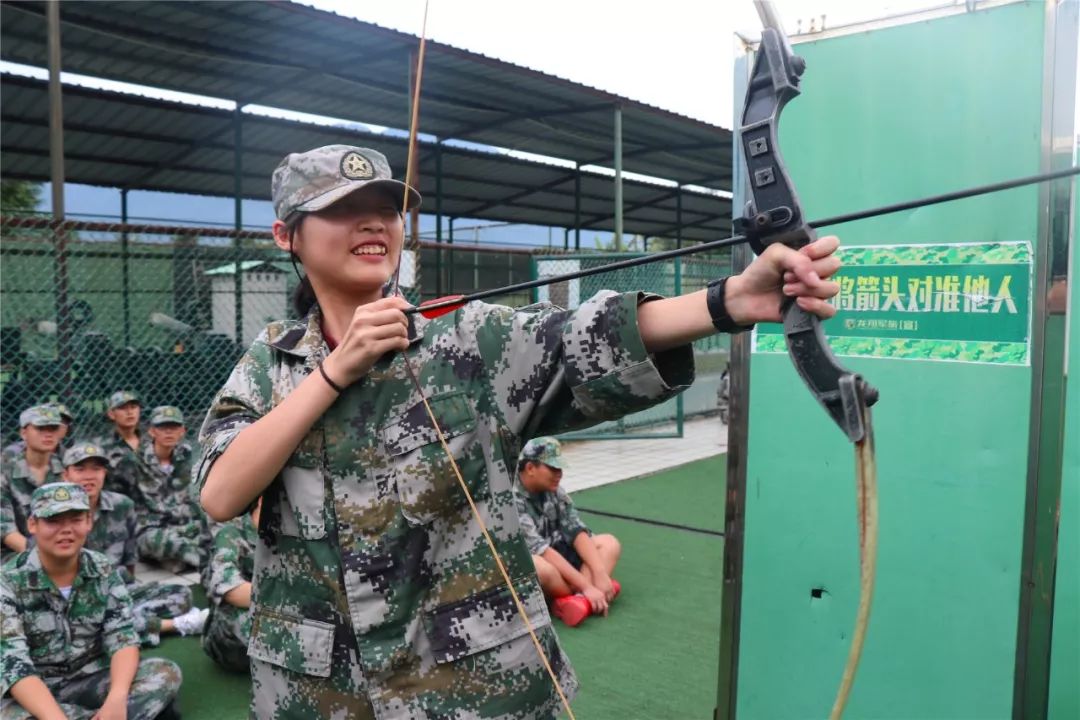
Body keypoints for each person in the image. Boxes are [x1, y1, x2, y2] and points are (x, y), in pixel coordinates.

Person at [196, 144, 842, 719]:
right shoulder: (269, 367)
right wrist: (335, 371)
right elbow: (221, 493)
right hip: (322, 692)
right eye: (342, 209)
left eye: (386, 209)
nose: (373, 223)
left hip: (474, 684)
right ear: (287, 236)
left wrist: (731, 301)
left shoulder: (467, 341)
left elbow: (585, 339)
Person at [0, 482, 182, 720]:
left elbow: (123, 637)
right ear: (33, 524)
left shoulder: (102, 568)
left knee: (164, 672)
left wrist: (117, 697)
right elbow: (15, 666)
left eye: (75, 520)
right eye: (53, 521)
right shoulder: (8, 581)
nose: (66, 530)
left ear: (89, 522)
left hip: (89, 679)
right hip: (34, 689)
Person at [63, 441, 208, 647]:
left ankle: (123, 623)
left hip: (118, 590)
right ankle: (173, 625)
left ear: (104, 473)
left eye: (96, 468)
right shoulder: (55, 514)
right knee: (77, 624)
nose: (89, 476)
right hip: (76, 600)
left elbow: (129, 563)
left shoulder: (122, 505)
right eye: (80, 469)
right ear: (65, 474)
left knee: (181, 595)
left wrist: (123, 595)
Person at [515, 437, 620, 627]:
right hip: (545, 564)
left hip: (562, 556)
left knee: (609, 543)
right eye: (553, 468)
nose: (559, 474)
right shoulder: (511, 499)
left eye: (560, 468)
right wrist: (588, 585)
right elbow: (542, 551)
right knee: (538, 566)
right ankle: (585, 595)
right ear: (530, 468)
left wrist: (600, 573)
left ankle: (574, 601)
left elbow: (577, 531)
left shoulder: (554, 489)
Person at [128, 406, 204, 570]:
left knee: (218, 526)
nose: (169, 432)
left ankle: (177, 561)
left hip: (183, 524)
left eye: (174, 427)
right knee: (164, 541)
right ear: (152, 431)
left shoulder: (184, 454)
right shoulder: (135, 460)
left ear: (182, 431)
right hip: (151, 528)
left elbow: (185, 497)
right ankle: (206, 563)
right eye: (163, 427)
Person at [202, 499, 259, 672]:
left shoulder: (291, 534)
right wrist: (291, 599)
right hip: (228, 637)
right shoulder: (231, 534)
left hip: (273, 615)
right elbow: (231, 590)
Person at [0, 405, 65, 557]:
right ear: (24, 433)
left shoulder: (66, 469)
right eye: (41, 429)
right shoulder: (5, 471)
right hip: (14, 555)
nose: (48, 434)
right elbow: (4, 528)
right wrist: (40, 556)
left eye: (53, 429)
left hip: (61, 551)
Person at [98, 390, 145, 498]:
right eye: (123, 408)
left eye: (133, 407)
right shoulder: (101, 446)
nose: (129, 412)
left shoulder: (152, 442)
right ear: (111, 414)